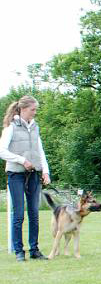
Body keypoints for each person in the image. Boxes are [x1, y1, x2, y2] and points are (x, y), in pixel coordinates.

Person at [1, 96, 51, 261]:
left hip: (34, 175)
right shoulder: (11, 128)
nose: (34, 113)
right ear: (23, 109)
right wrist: (22, 160)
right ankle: (19, 251)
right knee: (19, 214)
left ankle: (34, 250)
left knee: (34, 213)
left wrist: (45, 171)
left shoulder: (35, 127)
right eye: (32, 109)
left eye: (35, 109)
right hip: (16, 174)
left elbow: (40, 150)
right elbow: (2, 151)